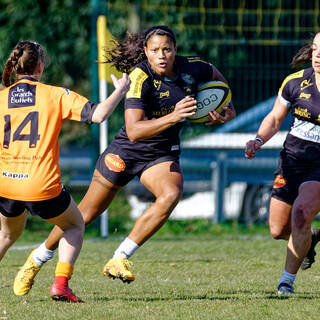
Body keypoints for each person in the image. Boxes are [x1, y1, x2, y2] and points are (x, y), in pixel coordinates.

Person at [15, 25, 235, 292]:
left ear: (175, 49)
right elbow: (134, 130)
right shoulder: (140, 76)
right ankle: (36, 260)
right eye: (154, 50)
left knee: (171, 194)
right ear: (145, 51)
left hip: (161, 152)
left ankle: (119, 257)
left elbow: (220, 87)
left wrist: (223, 110)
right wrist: (174, 116)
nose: (162, 55)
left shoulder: (195, 68)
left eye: (167, 49)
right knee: (83, 215)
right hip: (127, 151)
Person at [0, 40, 130, 302]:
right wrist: (121, 90)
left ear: (15, 66)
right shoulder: (55, 94)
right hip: (40, 185)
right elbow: (99, 114)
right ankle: (60, 284)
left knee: (6, 233)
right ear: (40, 65)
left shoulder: (2, 97)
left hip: (5, 183)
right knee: (74, 224)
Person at [245, 32, 320, 294]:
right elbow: (275, 118)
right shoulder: (295, 82)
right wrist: (257, 140)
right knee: (278, 229)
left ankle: (286, 282)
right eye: (314, 49)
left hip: (318, 166)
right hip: (291, 160)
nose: (318, 55)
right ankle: (308, 241)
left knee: (301, 215)